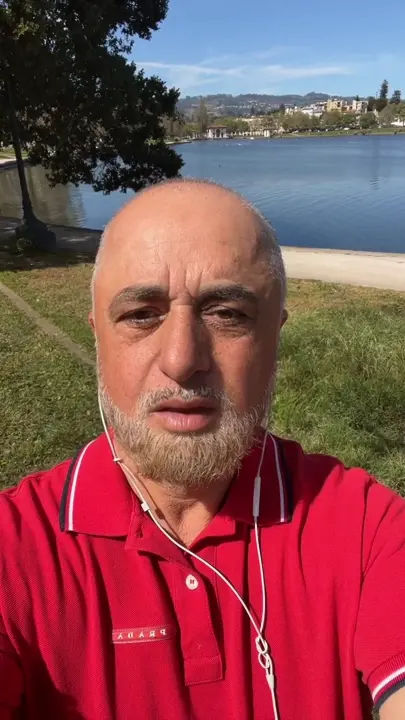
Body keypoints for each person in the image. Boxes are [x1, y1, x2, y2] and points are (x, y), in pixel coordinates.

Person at [0, 179, 404, 720]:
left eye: (228, 313)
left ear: (276, 335)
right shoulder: (14, 550)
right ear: (98, 335)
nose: (182, 360)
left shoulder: (365, 529)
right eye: (141, 314)